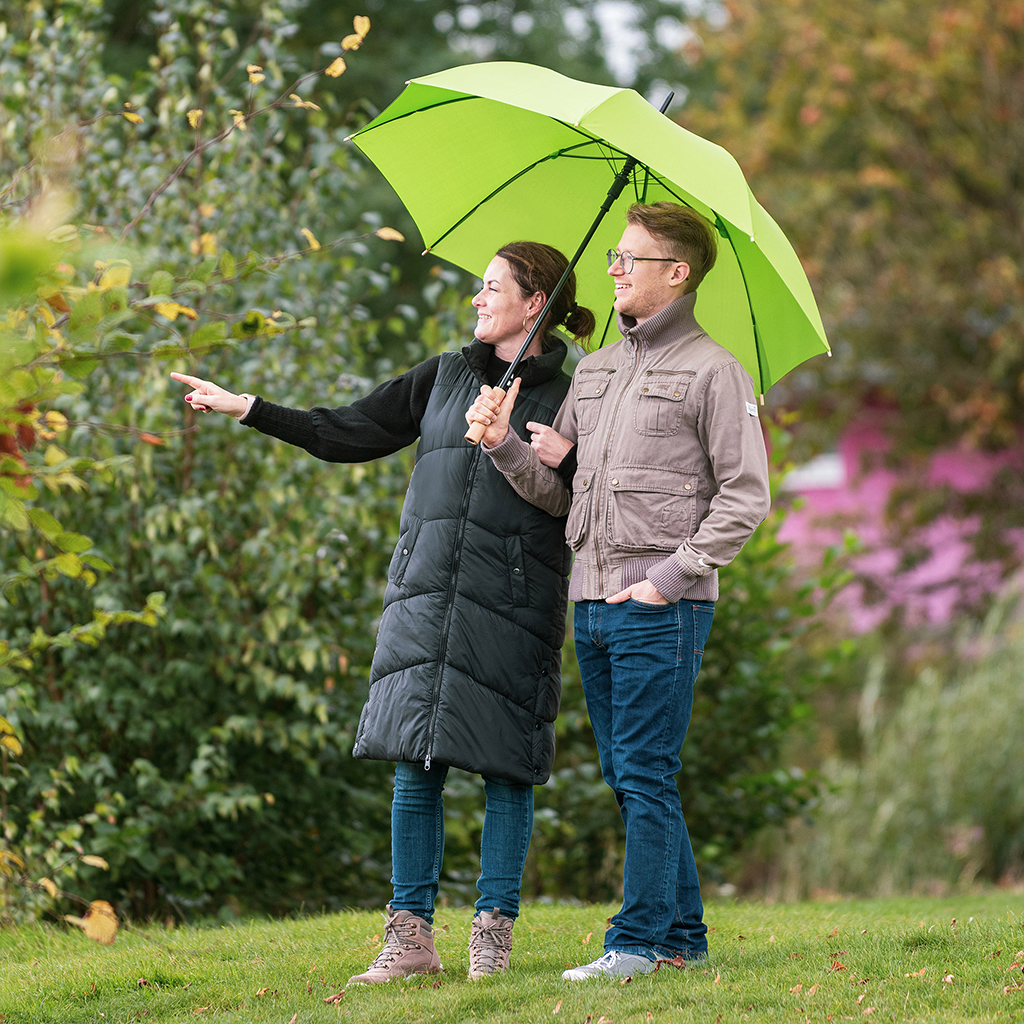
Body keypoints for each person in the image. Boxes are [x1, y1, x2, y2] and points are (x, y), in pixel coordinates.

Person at [171, 241, 596, 983]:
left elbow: (585, 502)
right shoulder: (443, 376)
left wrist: (531, 447)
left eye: (491, 287)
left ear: (536, 304)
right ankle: (410, 942)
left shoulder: (579, 395)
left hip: (516, 596)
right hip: (425, 591)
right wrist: (248, 408)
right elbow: (349, 432)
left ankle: (490, 941)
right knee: (414, 757)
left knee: (508, 768)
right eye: (478, 287)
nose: (477, 298)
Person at [466, 203, 771, 980]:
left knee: (642, 771)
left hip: (661, 610)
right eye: (613, 255)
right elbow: (559, 494)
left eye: (629, 258)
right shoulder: (596, 370)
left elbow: (744, 498)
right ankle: (682, 941)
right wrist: (502, 444)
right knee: (635, 774)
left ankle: (632, 944)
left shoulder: (713, 370)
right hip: (591, 603)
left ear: (678, 273)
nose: (613, 269)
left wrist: (669, 582)